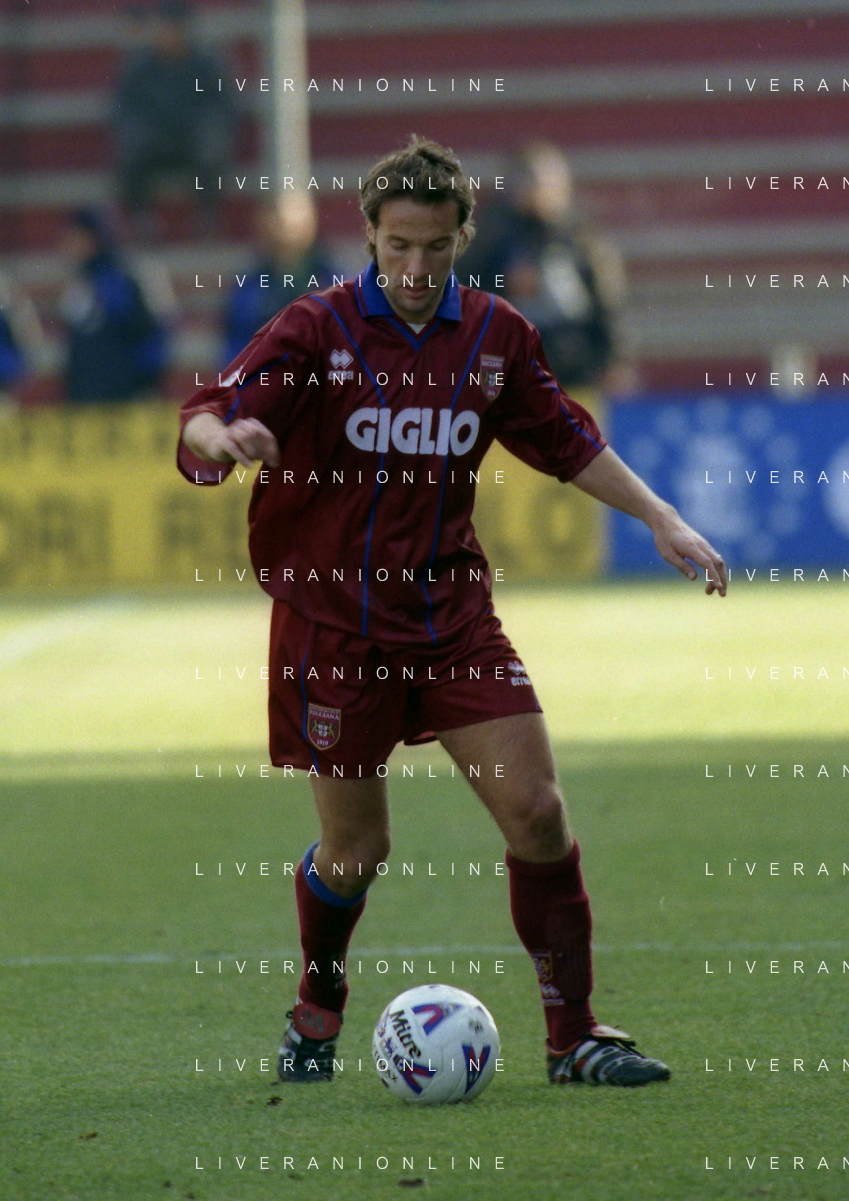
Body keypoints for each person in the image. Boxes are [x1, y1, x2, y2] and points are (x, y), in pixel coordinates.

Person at [176, 135, 727, 1089]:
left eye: (434, 246)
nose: (415, 266)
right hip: (336, 626)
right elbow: (204, 412)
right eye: (397, 245)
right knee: (356, 851)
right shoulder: (315, 328)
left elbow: (565, 438)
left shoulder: (494, 336)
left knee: (538, 813)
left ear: (462, 238)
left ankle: (573, 1036)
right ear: (370, 237)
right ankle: (318, 1000)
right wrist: (222, 438)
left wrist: (659, 516)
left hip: (450, 616)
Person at [465, 142, 626, 390]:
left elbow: (607, 301)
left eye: (548, 182)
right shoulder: (491, 234)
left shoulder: (582, 236)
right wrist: (505, 283)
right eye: (529, 181)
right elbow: (465, 290)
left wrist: (615, 359)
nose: (538, 191)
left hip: (573, 364)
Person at [113, 0, 236, 227]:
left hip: (193, 139)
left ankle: (206, 218)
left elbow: (223, 105)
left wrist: (205, 128)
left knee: (211, 149)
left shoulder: (207, 64)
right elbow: (124, 108)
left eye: (172, 28)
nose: (166, 35)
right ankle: (141, 220)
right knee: (130, 151)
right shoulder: (140, 66)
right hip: (154, 140)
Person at [59, 208, 170, 403]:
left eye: (75, 236)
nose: (68, 244)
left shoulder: (121, 282)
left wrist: (144, 384)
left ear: (92, 238)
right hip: (85, 398)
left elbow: (148, 333)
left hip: (120, 398)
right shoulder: (80, 282)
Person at [222, 194, 336, 367]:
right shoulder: (247, 289)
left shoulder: (334, 279)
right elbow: (235, 353)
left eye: (296, 210)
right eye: (274, 214)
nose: (286, 223)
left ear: (312, 218)